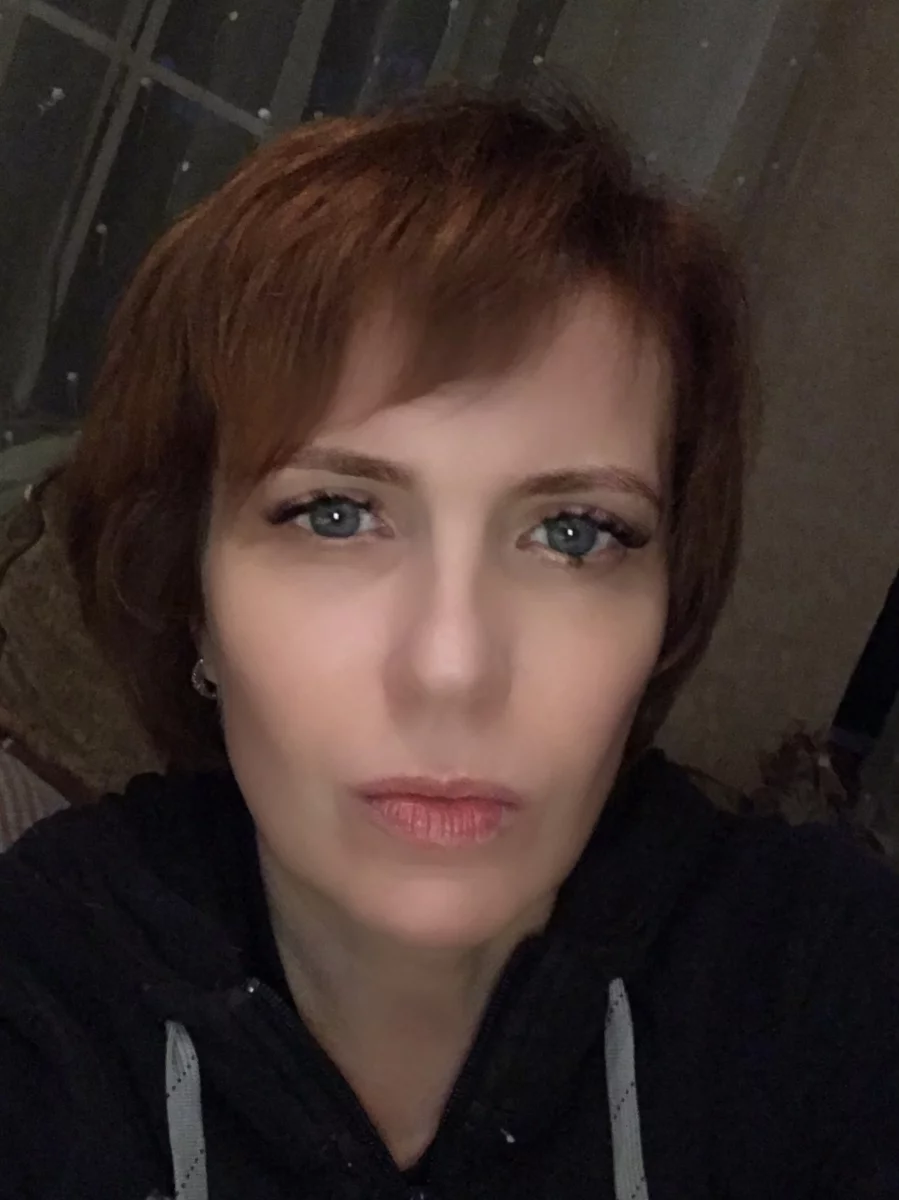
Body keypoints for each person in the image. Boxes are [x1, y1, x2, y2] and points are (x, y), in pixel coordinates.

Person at [1, 87, 897, 1200]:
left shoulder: (819, 983)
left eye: (574, 533)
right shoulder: (42, 1002)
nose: (452, 666)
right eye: (334, 515)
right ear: (195, 603)